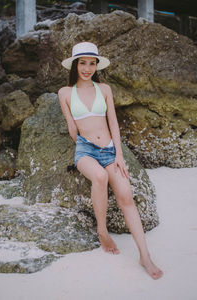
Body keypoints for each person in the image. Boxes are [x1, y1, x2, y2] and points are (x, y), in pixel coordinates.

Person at [58, 42, 163, 280]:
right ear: (75, 65)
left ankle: (145, 255)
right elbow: (72, 128)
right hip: (85, 151)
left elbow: (113, 122)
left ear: (97, 65)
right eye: (82, 63)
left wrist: (119, 155)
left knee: (125, 195)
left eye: (92, 63)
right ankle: (102, 231)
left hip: (108, 150)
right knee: (100, 176)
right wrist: (85, 144)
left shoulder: (104, 88)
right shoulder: (65, 93)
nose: (87, 68)